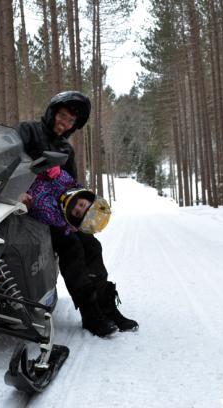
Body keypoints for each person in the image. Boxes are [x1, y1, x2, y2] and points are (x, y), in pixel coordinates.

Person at [17, 91, 138, 337]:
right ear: (52, 113)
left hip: (57, 212)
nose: (64, 123)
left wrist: (76, 217)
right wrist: (17, 191)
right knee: (71, 247)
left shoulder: (65, 149)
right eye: (62, 116)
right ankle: (90, 312)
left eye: (70, 121)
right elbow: (6, 158)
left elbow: (72, 183)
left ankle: (106, 306)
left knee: (92, 246)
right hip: (27, 209)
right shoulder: (28, 131)